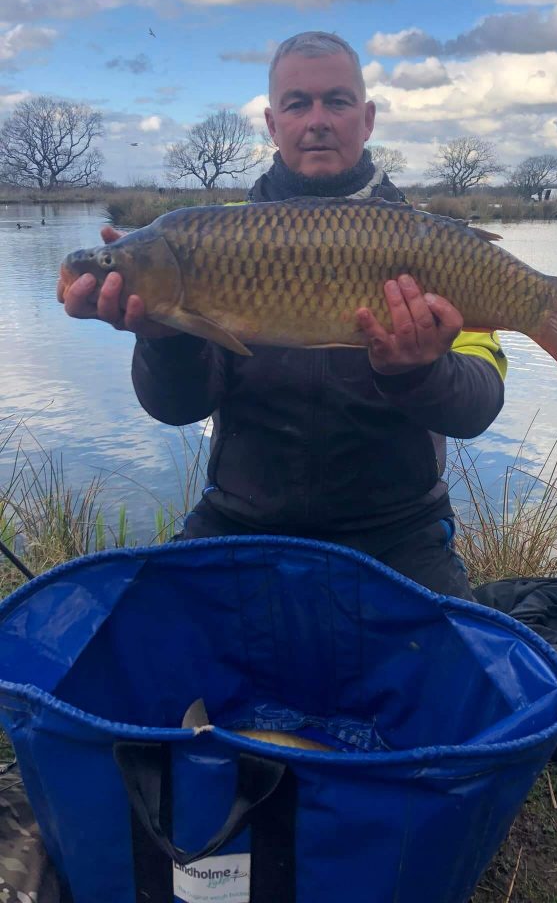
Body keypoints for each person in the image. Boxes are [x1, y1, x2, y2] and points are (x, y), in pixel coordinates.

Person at [58, 31, 507, 601]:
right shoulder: (212, 241)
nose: (317, 120)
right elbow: (178, 409)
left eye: (337, 101)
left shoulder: (437, 248)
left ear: (366, 119)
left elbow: (478, 408)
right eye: (298, 103)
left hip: (399, 535)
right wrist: (163, 337)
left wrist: (420, 371)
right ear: (273, 124)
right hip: (241, 522)